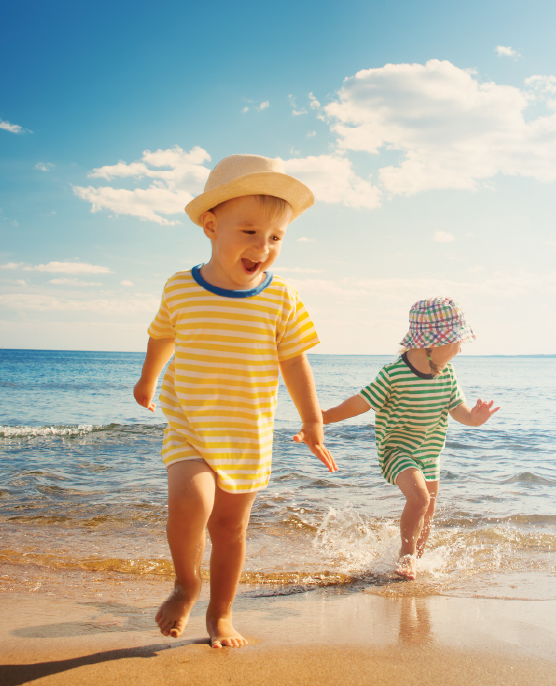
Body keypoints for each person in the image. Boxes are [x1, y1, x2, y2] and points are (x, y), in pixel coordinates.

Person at [134, 154, 336, 648]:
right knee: (190, 501)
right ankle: (187, 583)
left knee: (229, 529)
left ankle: (221, 614)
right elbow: (162, 337)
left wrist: (313, 420)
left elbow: (294, 362)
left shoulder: (281, 298)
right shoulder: (181, 287)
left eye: (275, 238)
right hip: (190, 425)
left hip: (247, 432)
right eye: (249, 232)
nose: (262, 248)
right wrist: (147, 381)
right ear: (211, 225)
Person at [317, 298, 498, 580]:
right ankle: (406, 556)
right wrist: (326, 416)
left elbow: (458, 410)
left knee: (428, 510)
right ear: (431, 343)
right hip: (397, 450)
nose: (460, 347)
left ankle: (417, 561)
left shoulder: (447, 375)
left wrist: (474, 418)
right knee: (420, 498)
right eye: (455, 340)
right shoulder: (394, 375)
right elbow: (361, 403)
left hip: (430, 452)